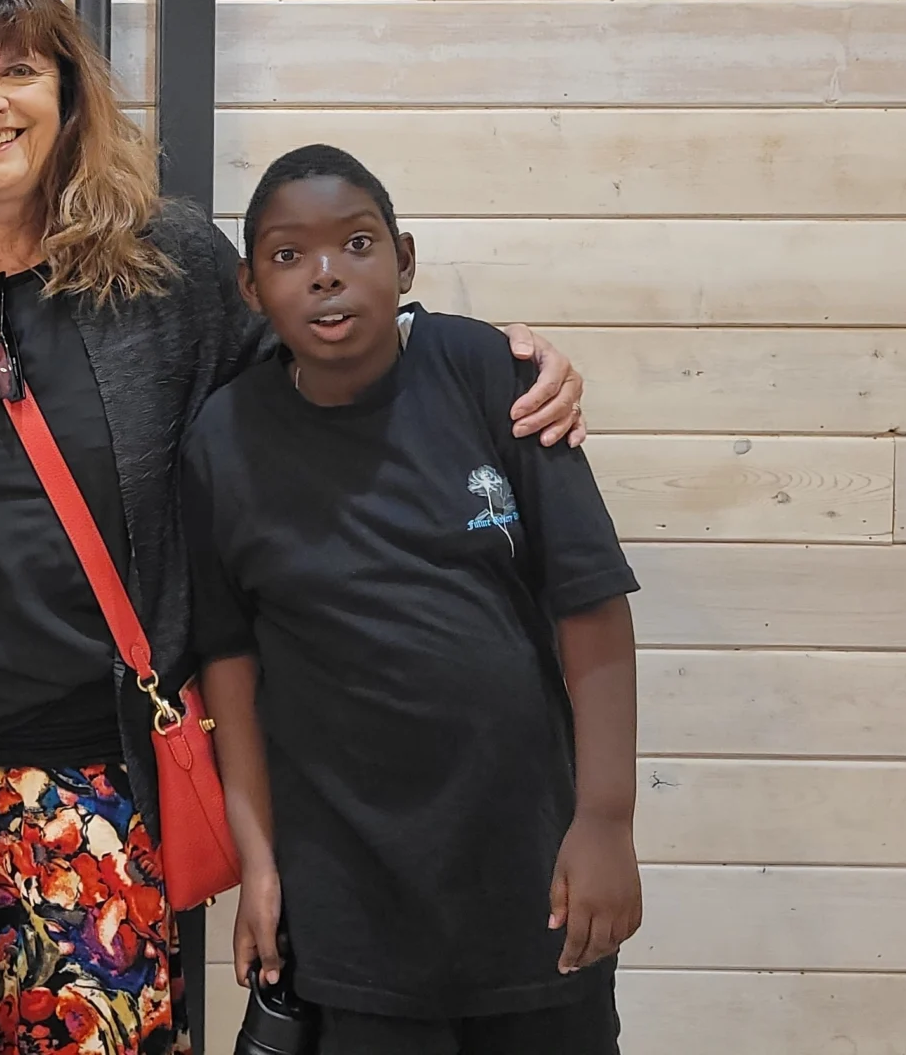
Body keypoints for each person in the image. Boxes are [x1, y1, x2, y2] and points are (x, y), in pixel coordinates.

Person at [0, 0, 591, 1054]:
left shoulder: (165, 264)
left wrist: (485, 359)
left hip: (112, 794)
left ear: (67, 97)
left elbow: (318, 371)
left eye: (19, 72)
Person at [189, 145, 643, 1055]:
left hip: (530, 876)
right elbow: (228, 666)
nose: (326, 275)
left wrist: (606, 821)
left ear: (404, 257)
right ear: (249, 288)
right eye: (287, 257)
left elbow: (591, 604)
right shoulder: (223, 439)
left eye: (356, 244)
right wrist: (258, 862)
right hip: (347, 899)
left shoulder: (489, 374)